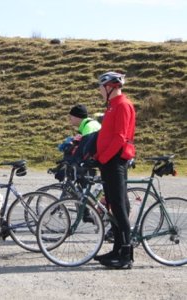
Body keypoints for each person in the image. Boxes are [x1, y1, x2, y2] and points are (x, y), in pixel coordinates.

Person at [93, 71, 136, 269]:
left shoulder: (123, 105)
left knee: (119, 206)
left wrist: (103, 157)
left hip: (115, 161)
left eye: (101, 87)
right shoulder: (112, 106)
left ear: (110, 87)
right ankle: (117, 248)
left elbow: (120, 138)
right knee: (112, 204)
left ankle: (126, 255)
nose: (99, 91)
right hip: (107, 162)